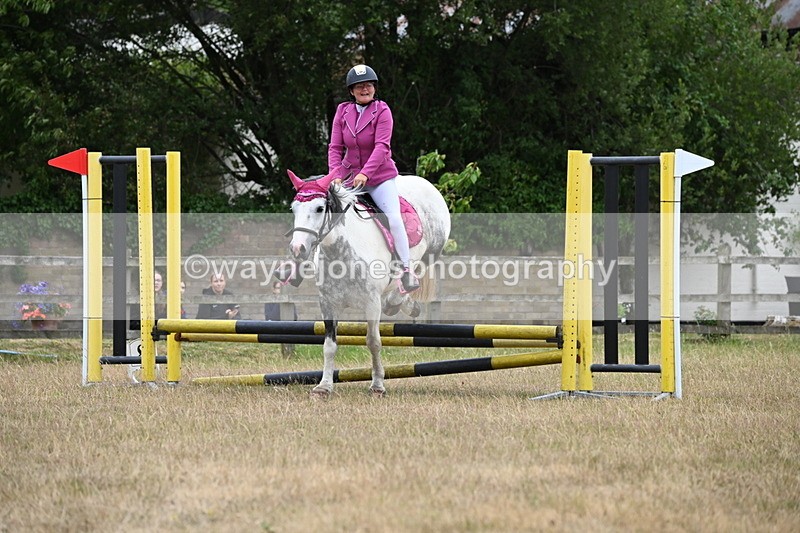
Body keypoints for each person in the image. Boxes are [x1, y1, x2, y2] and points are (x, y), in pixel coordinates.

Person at [328, 64, 418, 293]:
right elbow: (335, 147)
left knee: (394, 218)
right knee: (326, 214)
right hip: (349, 176)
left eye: (368, 85)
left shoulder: (382, 110)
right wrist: (335, 174)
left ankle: (406, 270)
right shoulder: (342, 111)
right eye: (359, 86)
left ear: (374, 88)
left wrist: (365, 173)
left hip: (379, 177)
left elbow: (382, 147)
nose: (364, 89)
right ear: (351, 91)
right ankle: (302, 264)